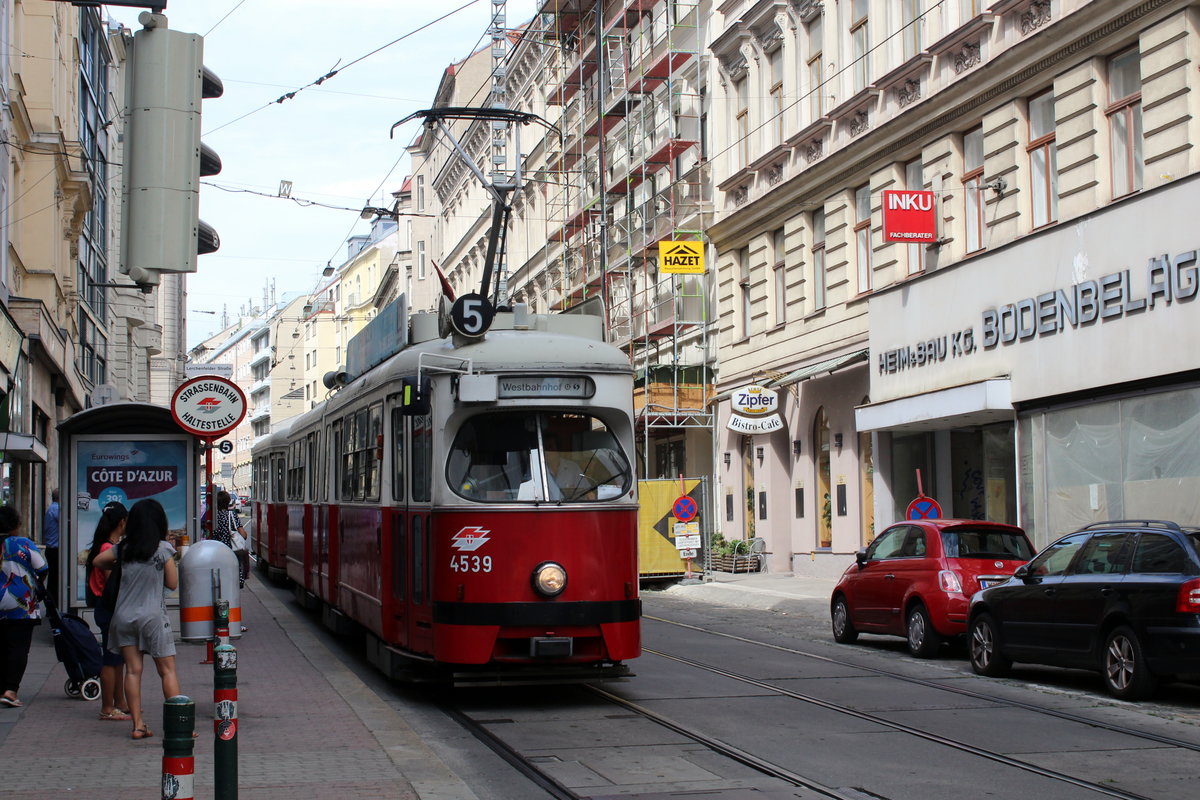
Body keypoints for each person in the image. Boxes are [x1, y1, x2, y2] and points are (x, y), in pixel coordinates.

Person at [92, 499, 180, 740]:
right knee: (167, 671)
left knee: (133, 670)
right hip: (152, 616)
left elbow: (98, 561)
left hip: (123, 616)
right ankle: (180, 725)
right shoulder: (162, 549)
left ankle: (138, 725)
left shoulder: (124, 548)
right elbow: (172, 583)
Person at [85, 502, 130, 721]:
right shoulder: (107, 550)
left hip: (107, 608)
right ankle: (107, 707)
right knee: (111, 659)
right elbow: (113, 584)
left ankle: (119, 702)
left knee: (117, 657)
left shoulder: (102, 545)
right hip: (110, 608)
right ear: (122, 523)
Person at [0, 505, 48, 708]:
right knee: (18, 648)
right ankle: (11, 690)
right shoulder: (23, 544)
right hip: (22, 605)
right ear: (15, 525)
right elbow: (42, 568)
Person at [210, 491, 249, 589]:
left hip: (216, 552)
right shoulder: (231, 515)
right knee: (232, 581)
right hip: (231, 552)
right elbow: (243, 535)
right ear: (228, 502)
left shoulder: (213, 516)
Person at [42, 490, 59, 601]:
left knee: (53, 579)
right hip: (55, 550)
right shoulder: (57, 509)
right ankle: (52, 606)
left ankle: (51, 607)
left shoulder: (52, 508)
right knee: (55, 580)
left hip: (51, 549)